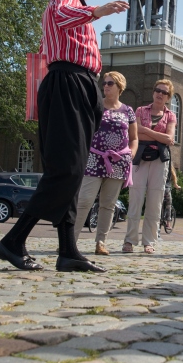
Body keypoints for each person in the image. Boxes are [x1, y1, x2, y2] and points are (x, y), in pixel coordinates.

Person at [0, 0, 128, 274]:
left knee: (73, 172)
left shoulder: (76, 5)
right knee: (66, 170)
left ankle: (68, 251)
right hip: (67, 82)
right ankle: (13, 240)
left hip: (80, 85)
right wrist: (98, 11)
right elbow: (62, 15)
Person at [73, 71, 138, 256]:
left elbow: (134, 138)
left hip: (118, 162)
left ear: (120, 87)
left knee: (108, 204)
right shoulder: (95, 105)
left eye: (110, 83)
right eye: (104, 83)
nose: (106, 86)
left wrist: (130, 155)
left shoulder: (128, 111)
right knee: (84, 200)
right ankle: (70, 241)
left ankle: (100, 243)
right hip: (95, 158)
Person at [123, 79, 177, 254]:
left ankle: (149, 241)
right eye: (158, 90)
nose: (160, 94)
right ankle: (130, 240)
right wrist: (157, 136)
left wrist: (145, 130)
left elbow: (169, 139)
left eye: (164, 92)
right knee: (135, 199)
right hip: (139, 158)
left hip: (160, 160)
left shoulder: (170, 115)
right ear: (153, 92)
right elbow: (134, 133)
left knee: (155, 202)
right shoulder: (140, 110)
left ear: (168, 97)